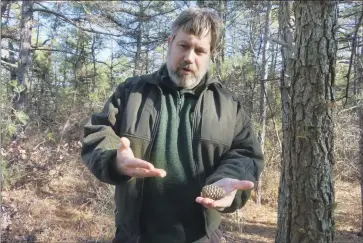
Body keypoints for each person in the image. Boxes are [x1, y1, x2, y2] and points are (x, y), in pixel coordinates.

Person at [81, 7, 264, 243]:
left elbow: (246, 153)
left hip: (201, 238)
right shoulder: (132, 91)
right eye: (183, 46)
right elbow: (98, 131)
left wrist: (229, 180)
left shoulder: (228, 105)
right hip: (134, 237)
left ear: (211, 54)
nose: (189, 57)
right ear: (170, 43)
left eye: (200, 50)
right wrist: (114, 159)